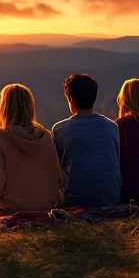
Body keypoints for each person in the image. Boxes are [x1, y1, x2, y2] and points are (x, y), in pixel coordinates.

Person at [0, 84, 62, 211]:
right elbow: (58, 179)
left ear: (4, 108)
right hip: (46, 204)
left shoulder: (0, 136)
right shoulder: (47, 136)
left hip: (12, 205)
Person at [52, 74, 121, 207]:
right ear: (94, 98)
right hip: (111, 197)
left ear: (70, 98)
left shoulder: (59, 129)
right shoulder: (112, 126)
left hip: (75, 200)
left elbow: (57, 170)